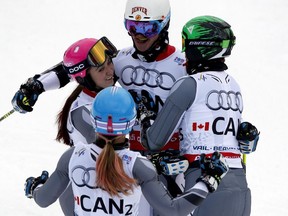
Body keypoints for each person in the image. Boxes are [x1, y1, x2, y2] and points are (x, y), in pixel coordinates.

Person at [12, 0, 187, 214]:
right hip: (126, 168)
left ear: (164, 24)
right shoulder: (121, 61)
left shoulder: (183, 64)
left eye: (147, 28)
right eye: (132, 27)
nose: (139, 35)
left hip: (157, 163)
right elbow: (74, 67)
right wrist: (37, 85)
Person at [24, 86, 230, 216]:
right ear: (131, 124)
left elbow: (43, 200)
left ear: (94, 120)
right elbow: (174, 210)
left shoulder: (72, 157)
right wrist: (209, 181)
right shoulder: (138, 166)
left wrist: (35, 188)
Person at [140, 15, 260, 216]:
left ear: (198, 47)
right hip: (240, 186)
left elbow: (153, 141)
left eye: (186, 43)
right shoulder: (234, 85)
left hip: (207, 185)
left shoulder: (190, 84)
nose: (184, 51)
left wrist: (146, 116)